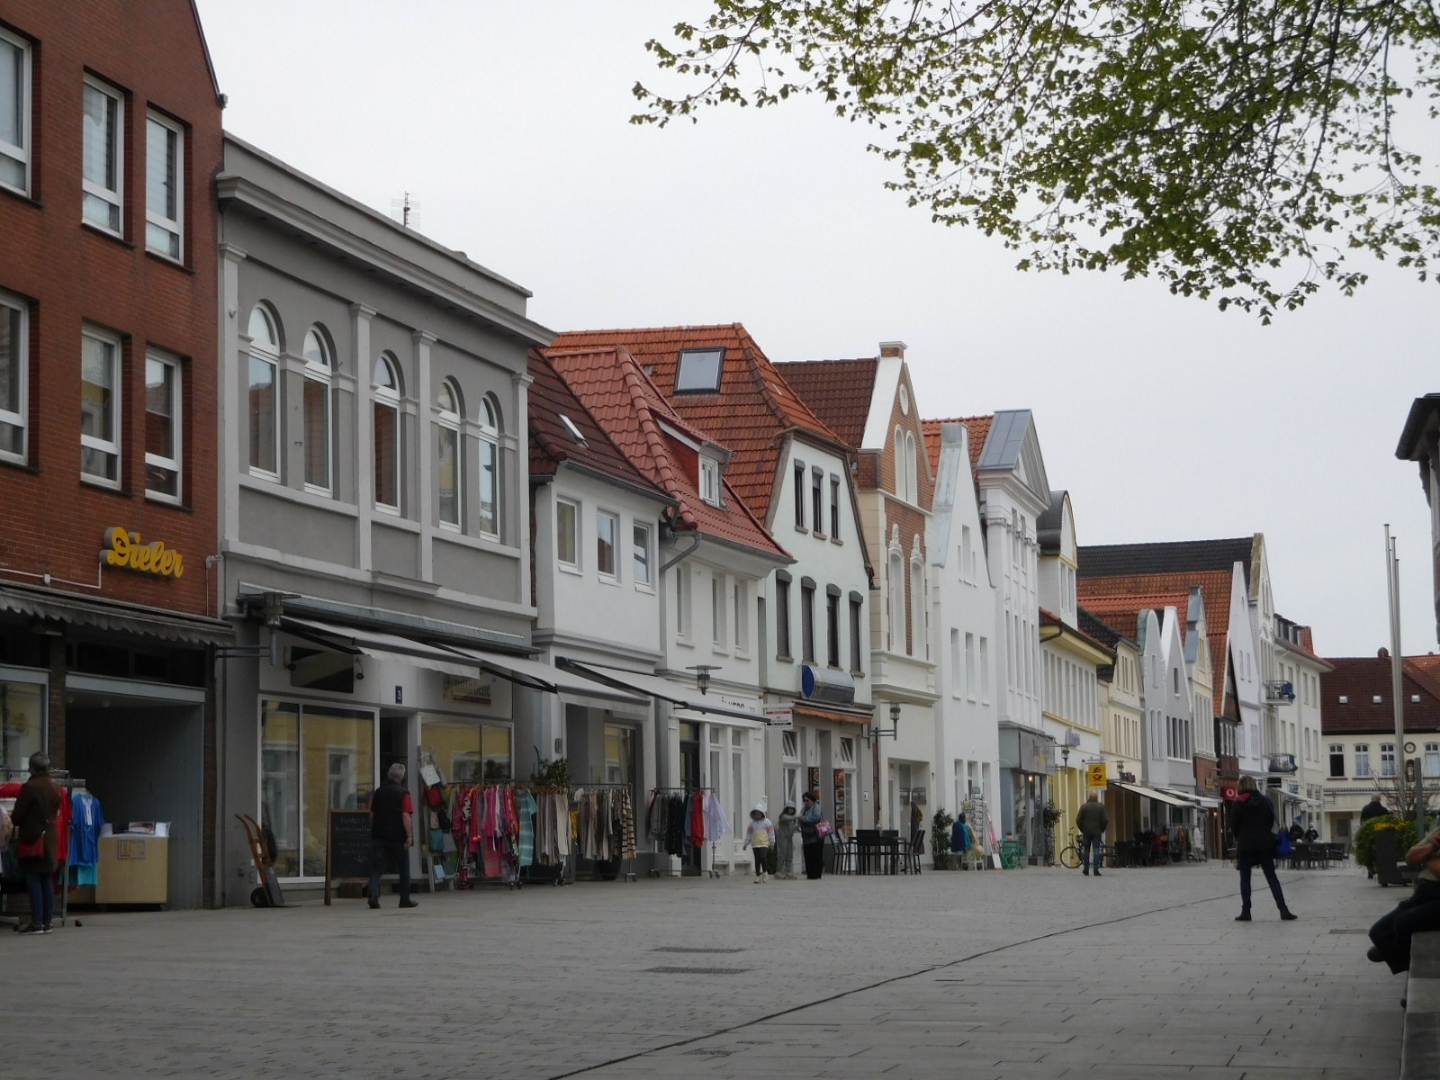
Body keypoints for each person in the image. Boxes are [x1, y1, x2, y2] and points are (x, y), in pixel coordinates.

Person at [1368, 824, 1440, 974]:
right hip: (1423, 892)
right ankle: (1401, 959)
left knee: (1403, 921)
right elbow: (1410, 857)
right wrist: (1432, 846)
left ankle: (1408, 965)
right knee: (1378, 931)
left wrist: (1426, 857)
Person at [1231, 775, 1296, 921]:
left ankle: (1246, 911)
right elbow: (1270, 820)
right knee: (1271, 877)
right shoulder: (1265, 800)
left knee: (1245, 878)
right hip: (1265, 844)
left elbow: (1234, 826)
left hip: (1246, 845)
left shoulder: (1238, 804)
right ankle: (1283, 909)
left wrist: (1241, 836)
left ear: (1240, 787)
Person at [11, 751, 61, 935]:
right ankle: (47, 922)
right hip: (50, 838)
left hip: (34, 839)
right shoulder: (55, 787)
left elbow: (17, 817)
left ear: (32, 768)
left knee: (33, 879)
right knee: (46, 879)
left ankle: (37, 922)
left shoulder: (30, 787)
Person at [367, 762, 417, 909]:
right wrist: (409, 836)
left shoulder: (378, 792)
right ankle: (404, 899)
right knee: (403, 868)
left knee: (377, 868)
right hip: (398, 837)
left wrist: (374, 829)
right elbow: (405, 816)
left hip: (379, 835)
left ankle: (373, 894)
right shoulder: (404, 793)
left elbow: (372, 815)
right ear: (401, 777)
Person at [1076, 793, 1108, 877]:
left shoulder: (1084, 807)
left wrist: (1082, 828)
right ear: (1096, 798)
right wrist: (1102, 829)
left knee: (1086, 850)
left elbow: (1078, 819)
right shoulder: (1100, 807)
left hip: (1086, 831)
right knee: (1096, 849)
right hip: (1097, 832)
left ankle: (1086, 869)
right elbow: (1105, 820)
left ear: (1089, 798)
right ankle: (1096, 869)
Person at [743, 803, 774, 883]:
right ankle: (758, 875)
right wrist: (745, 844)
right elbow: (749, 834)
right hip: (755, 844)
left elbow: (771, 833)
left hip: (764, 843)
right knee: (757, 859)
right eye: (755, 814)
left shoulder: (767, 822)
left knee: (763, 857)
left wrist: (772, 843)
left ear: (762, 814)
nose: (757, 816)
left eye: (758, 814)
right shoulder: (752, 824)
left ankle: (765, 872)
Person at [799, 791, 825, 880]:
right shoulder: (804, 809)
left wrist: (803, 818)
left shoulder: (816, 807)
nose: (806, 803)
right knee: (808, 855)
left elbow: (815, 818)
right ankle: (809, 874)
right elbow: (800, 818)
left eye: (807, 800)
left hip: (816, 835)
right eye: (804, 801)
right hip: (806, 835)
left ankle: (816, 874)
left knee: (816, 855)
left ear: (812, 800)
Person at [774, 803, 800, 880]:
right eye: (789, 809)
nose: (791, 810)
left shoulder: (793, 819)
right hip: (782, 837)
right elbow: (786, 818)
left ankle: (788, 871)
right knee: (782, 854)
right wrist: (797, 816)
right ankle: (779, 872)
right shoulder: (783, 816)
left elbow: (793, 827)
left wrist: (798, 825)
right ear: (786, 809)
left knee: (789, 855)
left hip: (789, 838)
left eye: (792, 809)